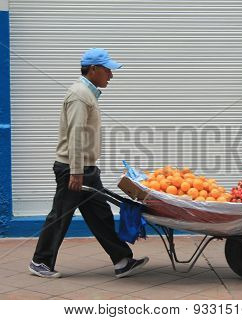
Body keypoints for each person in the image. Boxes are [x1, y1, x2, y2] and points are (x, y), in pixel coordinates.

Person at [28, 48, 149, 278]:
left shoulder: (87, 94)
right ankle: (40, 261)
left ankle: (122, 260)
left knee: (100, 215)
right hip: (74, 169)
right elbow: (76, 135)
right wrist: (76, 171)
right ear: (93, 69)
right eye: (108, 71)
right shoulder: (79, 95)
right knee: (61, 215)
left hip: (85, 168)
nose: (111, 76)